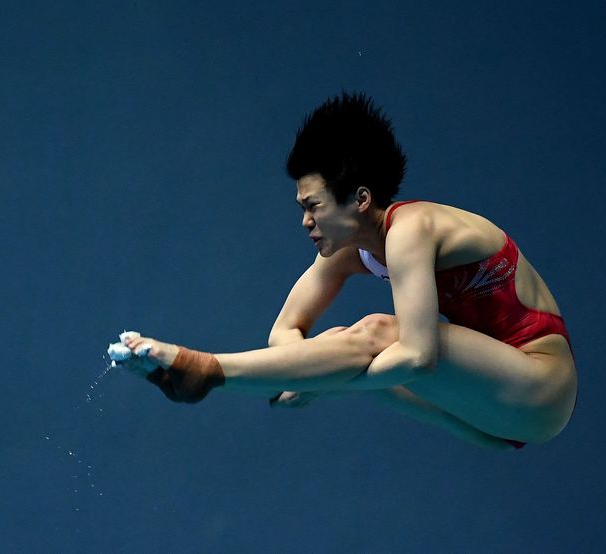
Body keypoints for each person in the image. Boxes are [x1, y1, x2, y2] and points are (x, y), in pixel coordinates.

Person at [120, 92, 577, 449]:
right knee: (342, 352)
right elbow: (285, 330)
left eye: (313, 206)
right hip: (486, 420)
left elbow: (420, 356)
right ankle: (209, 375)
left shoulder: (411, 229)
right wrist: (318, 374)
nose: (305, 222)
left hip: (539, 388)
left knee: (378, 334)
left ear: (360, 199)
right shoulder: (349, 248)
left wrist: (323, 383)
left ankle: (209, 371)